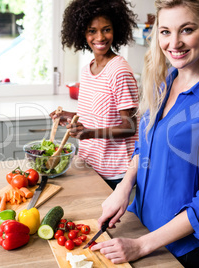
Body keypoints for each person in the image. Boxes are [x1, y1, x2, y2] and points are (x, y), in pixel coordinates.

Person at [93, 0, 199, 267]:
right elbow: (144, 147)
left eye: (186, 30)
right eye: (165, 31)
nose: (174, 43)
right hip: (140, 223)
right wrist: (124, 187)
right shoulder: (164, 82)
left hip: (180, 248)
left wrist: (141, 245)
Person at [50, 0, 139, 190]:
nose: (100, 37)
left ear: (116, 30)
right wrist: (68, 115)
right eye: (92, 31)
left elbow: (130, 127)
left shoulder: (119, 71)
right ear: (82, 32)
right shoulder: (87, 69)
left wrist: (89, 133)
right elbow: (96, 113)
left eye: (106, 29)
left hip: (115, 170)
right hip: (91, 163)